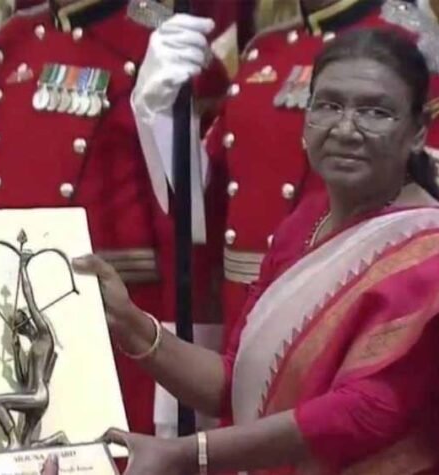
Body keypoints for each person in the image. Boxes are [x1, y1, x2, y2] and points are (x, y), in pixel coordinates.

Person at [75, 28, 439, 474]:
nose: (346, 129)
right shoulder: (303, 224)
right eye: (328, 105)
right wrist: (130, 324)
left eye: (375, 112)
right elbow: (236, 384)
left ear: (417, 132)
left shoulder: (426, 252)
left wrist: (186, 454)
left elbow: (362, 413)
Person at [0, 0, 237, 436]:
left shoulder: (165, 36)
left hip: (122, 313)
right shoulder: (10, 42)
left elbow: (199, 212)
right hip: (15, 305)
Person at [132, 0, 439, 350]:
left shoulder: (418, 42)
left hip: (349, 303)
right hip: (245, 310)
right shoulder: (265, 48)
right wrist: (160, 118)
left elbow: (425, 196)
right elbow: (210, 195)